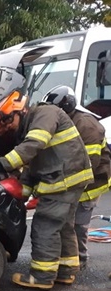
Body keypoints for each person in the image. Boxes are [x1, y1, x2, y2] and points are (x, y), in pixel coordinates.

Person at [0, 90, 93, 290]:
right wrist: (22, 194)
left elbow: (34, 145)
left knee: (45, 225)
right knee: (63, 226)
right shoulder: (31, 126)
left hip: (64, 180)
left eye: (7, 121)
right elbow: (33, 166)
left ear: (20, 112)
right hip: (69, 179)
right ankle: (65, 272)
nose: (6, 127)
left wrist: (1, 164)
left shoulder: (44, 113)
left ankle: (42, 277)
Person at [42, 85, 111, 270]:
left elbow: (88, 165)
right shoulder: (64, 121)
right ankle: (67, 258)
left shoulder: (87, 127)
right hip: (75, 180)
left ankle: (80, 259)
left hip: (92, 182)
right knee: (66, 221)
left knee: (78, 224)